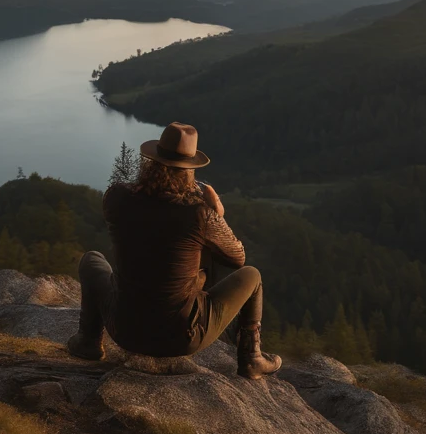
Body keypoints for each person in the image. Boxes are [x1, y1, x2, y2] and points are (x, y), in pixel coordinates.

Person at [67, 122, 281, 380]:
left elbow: (145, 229)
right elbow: (237, 257)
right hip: (180, 338)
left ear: (150, 161)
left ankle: (89, 342)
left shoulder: (116, 197)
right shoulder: (198, 214)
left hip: (125, 330)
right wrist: (217, 214)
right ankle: (252, 358)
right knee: (252, 276)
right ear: (190, 171)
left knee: (91, 260)